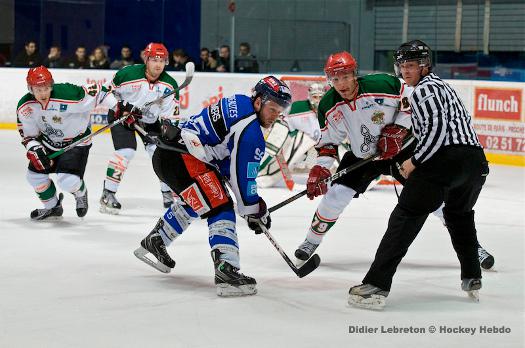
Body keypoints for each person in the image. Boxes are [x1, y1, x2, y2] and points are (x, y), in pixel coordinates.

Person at [293, 51, 494, 272]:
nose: (341, 83)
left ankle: (472, 247)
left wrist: (398, 129)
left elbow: (411, 101)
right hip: (364, 156)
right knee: (336, 195)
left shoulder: (383, 83)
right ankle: (311, 240)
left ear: (354, 74)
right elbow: (328, 143)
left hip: (404, 150)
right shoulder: (328, 105)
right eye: (336, 79)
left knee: (434, 201)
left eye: (346, 76)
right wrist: (320, 170)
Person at [348, 40, 489, 309]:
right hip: (474, 164)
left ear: (425, 66)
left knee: (405, 217)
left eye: (410, 65)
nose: (405, 71)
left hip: (445, 161)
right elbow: (451, 127)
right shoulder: (444, 87)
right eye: (401, 66)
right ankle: (472, 274)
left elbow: (436, 132)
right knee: (459, 215)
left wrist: (413, 161)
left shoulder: (423, 91)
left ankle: (376, 285)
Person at [133, 76, 292, 297]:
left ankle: (157, 240)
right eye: (272, 109)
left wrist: (254, 205)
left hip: (169, 152)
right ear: (258, 102)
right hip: (184, 159)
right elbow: (242, 177)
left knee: (202, 198)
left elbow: (224, 157)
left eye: (280, 110)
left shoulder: (239, 102)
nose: (275, 116)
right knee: (221, 206)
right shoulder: (252, 132)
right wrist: (253, 208)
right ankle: (227, 270)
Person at [16, 66, 114, 220]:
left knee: (67, 181)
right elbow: (29, 136)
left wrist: (117, 107)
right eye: (38, 89)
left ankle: (80, 192)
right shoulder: (25, 107)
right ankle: (53, 207)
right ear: (30, 88)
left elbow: (100, 92)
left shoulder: (68, 93)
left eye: (46, 88)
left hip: (76, 141)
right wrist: (34, 149)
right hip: (48, 142)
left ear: (51, 85)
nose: (43, 93)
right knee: (34, 176)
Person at [99, 42, 179, 214]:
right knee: (126, 151)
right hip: (122, 116)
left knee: (162, 153)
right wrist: (119, 106)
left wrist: (169, 130)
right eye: (154, 60)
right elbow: (104, 92)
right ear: (146, 59)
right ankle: (108, 194)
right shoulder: (127, 73)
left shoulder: (170, 85)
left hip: (149, 121)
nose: (158, 64)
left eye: (162, 60)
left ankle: (168, 194)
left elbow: (169, 116)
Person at [257, 82, 326, 187]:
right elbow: (282, 122)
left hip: (320, 148)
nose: (317, 100)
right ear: (309, 96)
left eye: (320, 97)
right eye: (315, 96)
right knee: (299, 140)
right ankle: (263, 176)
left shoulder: (330, 109)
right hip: (301, 144)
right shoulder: (298, 107)